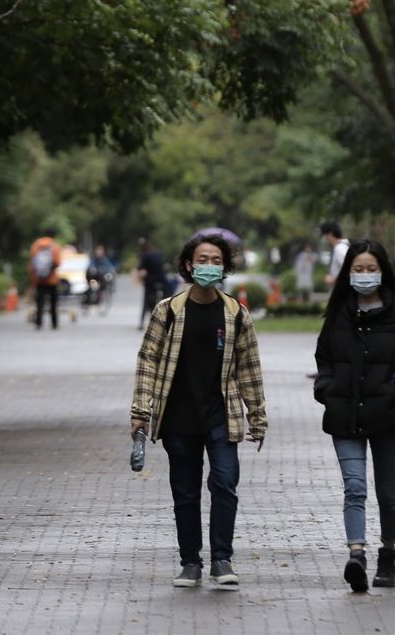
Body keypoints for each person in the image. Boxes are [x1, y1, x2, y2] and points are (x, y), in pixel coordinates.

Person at [130, 234, 268, 590]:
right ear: (189, 265)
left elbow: (249, 368)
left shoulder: (236, 314)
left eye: (216, 260)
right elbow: (147, 361)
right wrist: (140, 411)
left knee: (224, 482)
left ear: (224, 266)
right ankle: (190, 561)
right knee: (186, 492)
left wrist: (257, 416)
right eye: (202, 259)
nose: (209, 266)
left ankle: (222, 559)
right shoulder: (169, 311)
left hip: (221, 415)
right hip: (178, 416)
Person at [313, 239, 395, 593]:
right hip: (345, 414)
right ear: (347, 272)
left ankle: (387, 552)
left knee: (386, 491)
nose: (364, 275)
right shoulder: (339, 313)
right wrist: (327, 390)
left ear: (382, 271)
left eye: (371, 269)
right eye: (358, 269)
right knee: (354, 487)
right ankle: (357, 554)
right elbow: (324, 358)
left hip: (389, 415)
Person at [28, 229, 62, 330]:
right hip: (52, 280)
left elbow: (33, 263)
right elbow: (58, 263)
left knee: (40, 303)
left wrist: (34, 277)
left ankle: (39, 323)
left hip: (39, 280)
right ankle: (54, 324)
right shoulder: (55, 246)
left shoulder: (36, 245)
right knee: (53, 303)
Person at [136, 237, 168, 324]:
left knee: (147, 301)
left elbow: (142, 270)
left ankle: (143, 322)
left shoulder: (145, 256)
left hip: (150, 281)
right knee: (163, 300)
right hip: (162, 280)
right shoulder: (158, 253)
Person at [320, 220, 350, 288]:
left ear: (330, 234)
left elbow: (349, 269)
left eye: (324, 235)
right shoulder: (339, 247)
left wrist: (334, 280)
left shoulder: (340, 249)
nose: (324, 239)